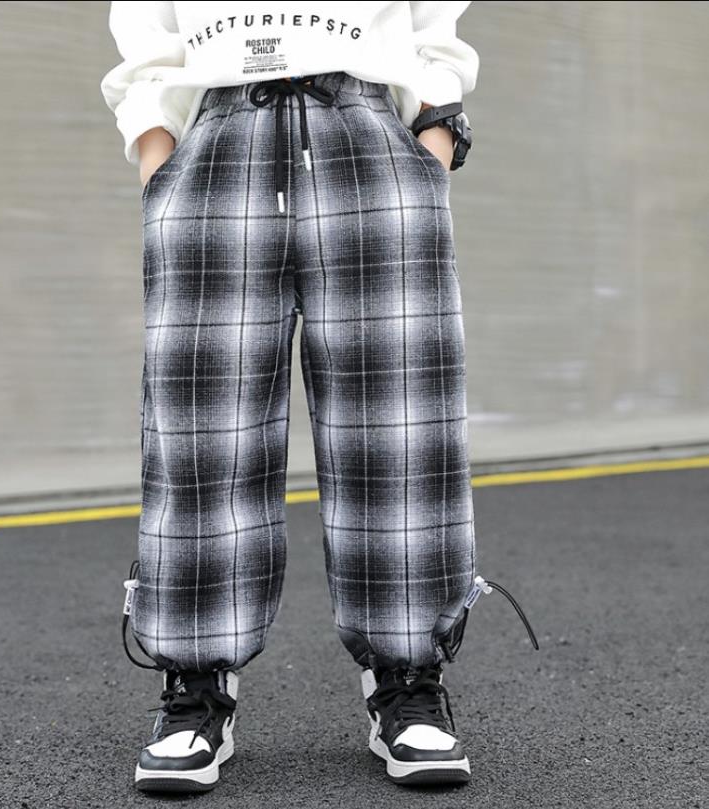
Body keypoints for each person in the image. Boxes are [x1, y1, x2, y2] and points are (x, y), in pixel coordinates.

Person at [100, 0, 537, 794]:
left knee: (399, 426)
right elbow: (145, 36)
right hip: (219, 134)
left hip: (367, 131)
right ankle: (196, 685)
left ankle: (407, 676)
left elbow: (434, 26)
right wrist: (159, 157)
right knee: (201, 429)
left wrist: (432, 142)